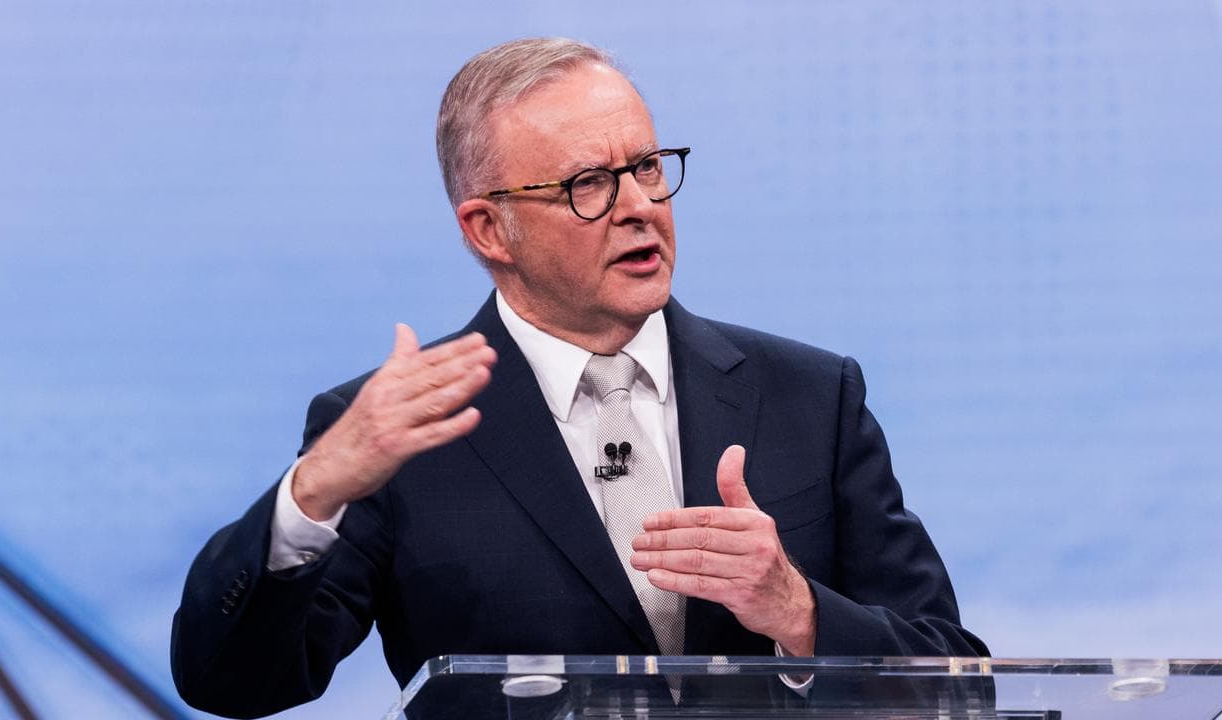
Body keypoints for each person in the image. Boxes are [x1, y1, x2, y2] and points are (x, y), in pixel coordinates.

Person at [171, 37, 988, 718]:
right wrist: (311, 495)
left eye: (648, 166)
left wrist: (800, 612)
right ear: (490, 228)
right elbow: (232, 683)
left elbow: (958, 682)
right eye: (588, 184)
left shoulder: (810, 397)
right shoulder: (396, 434)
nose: (640, 205)